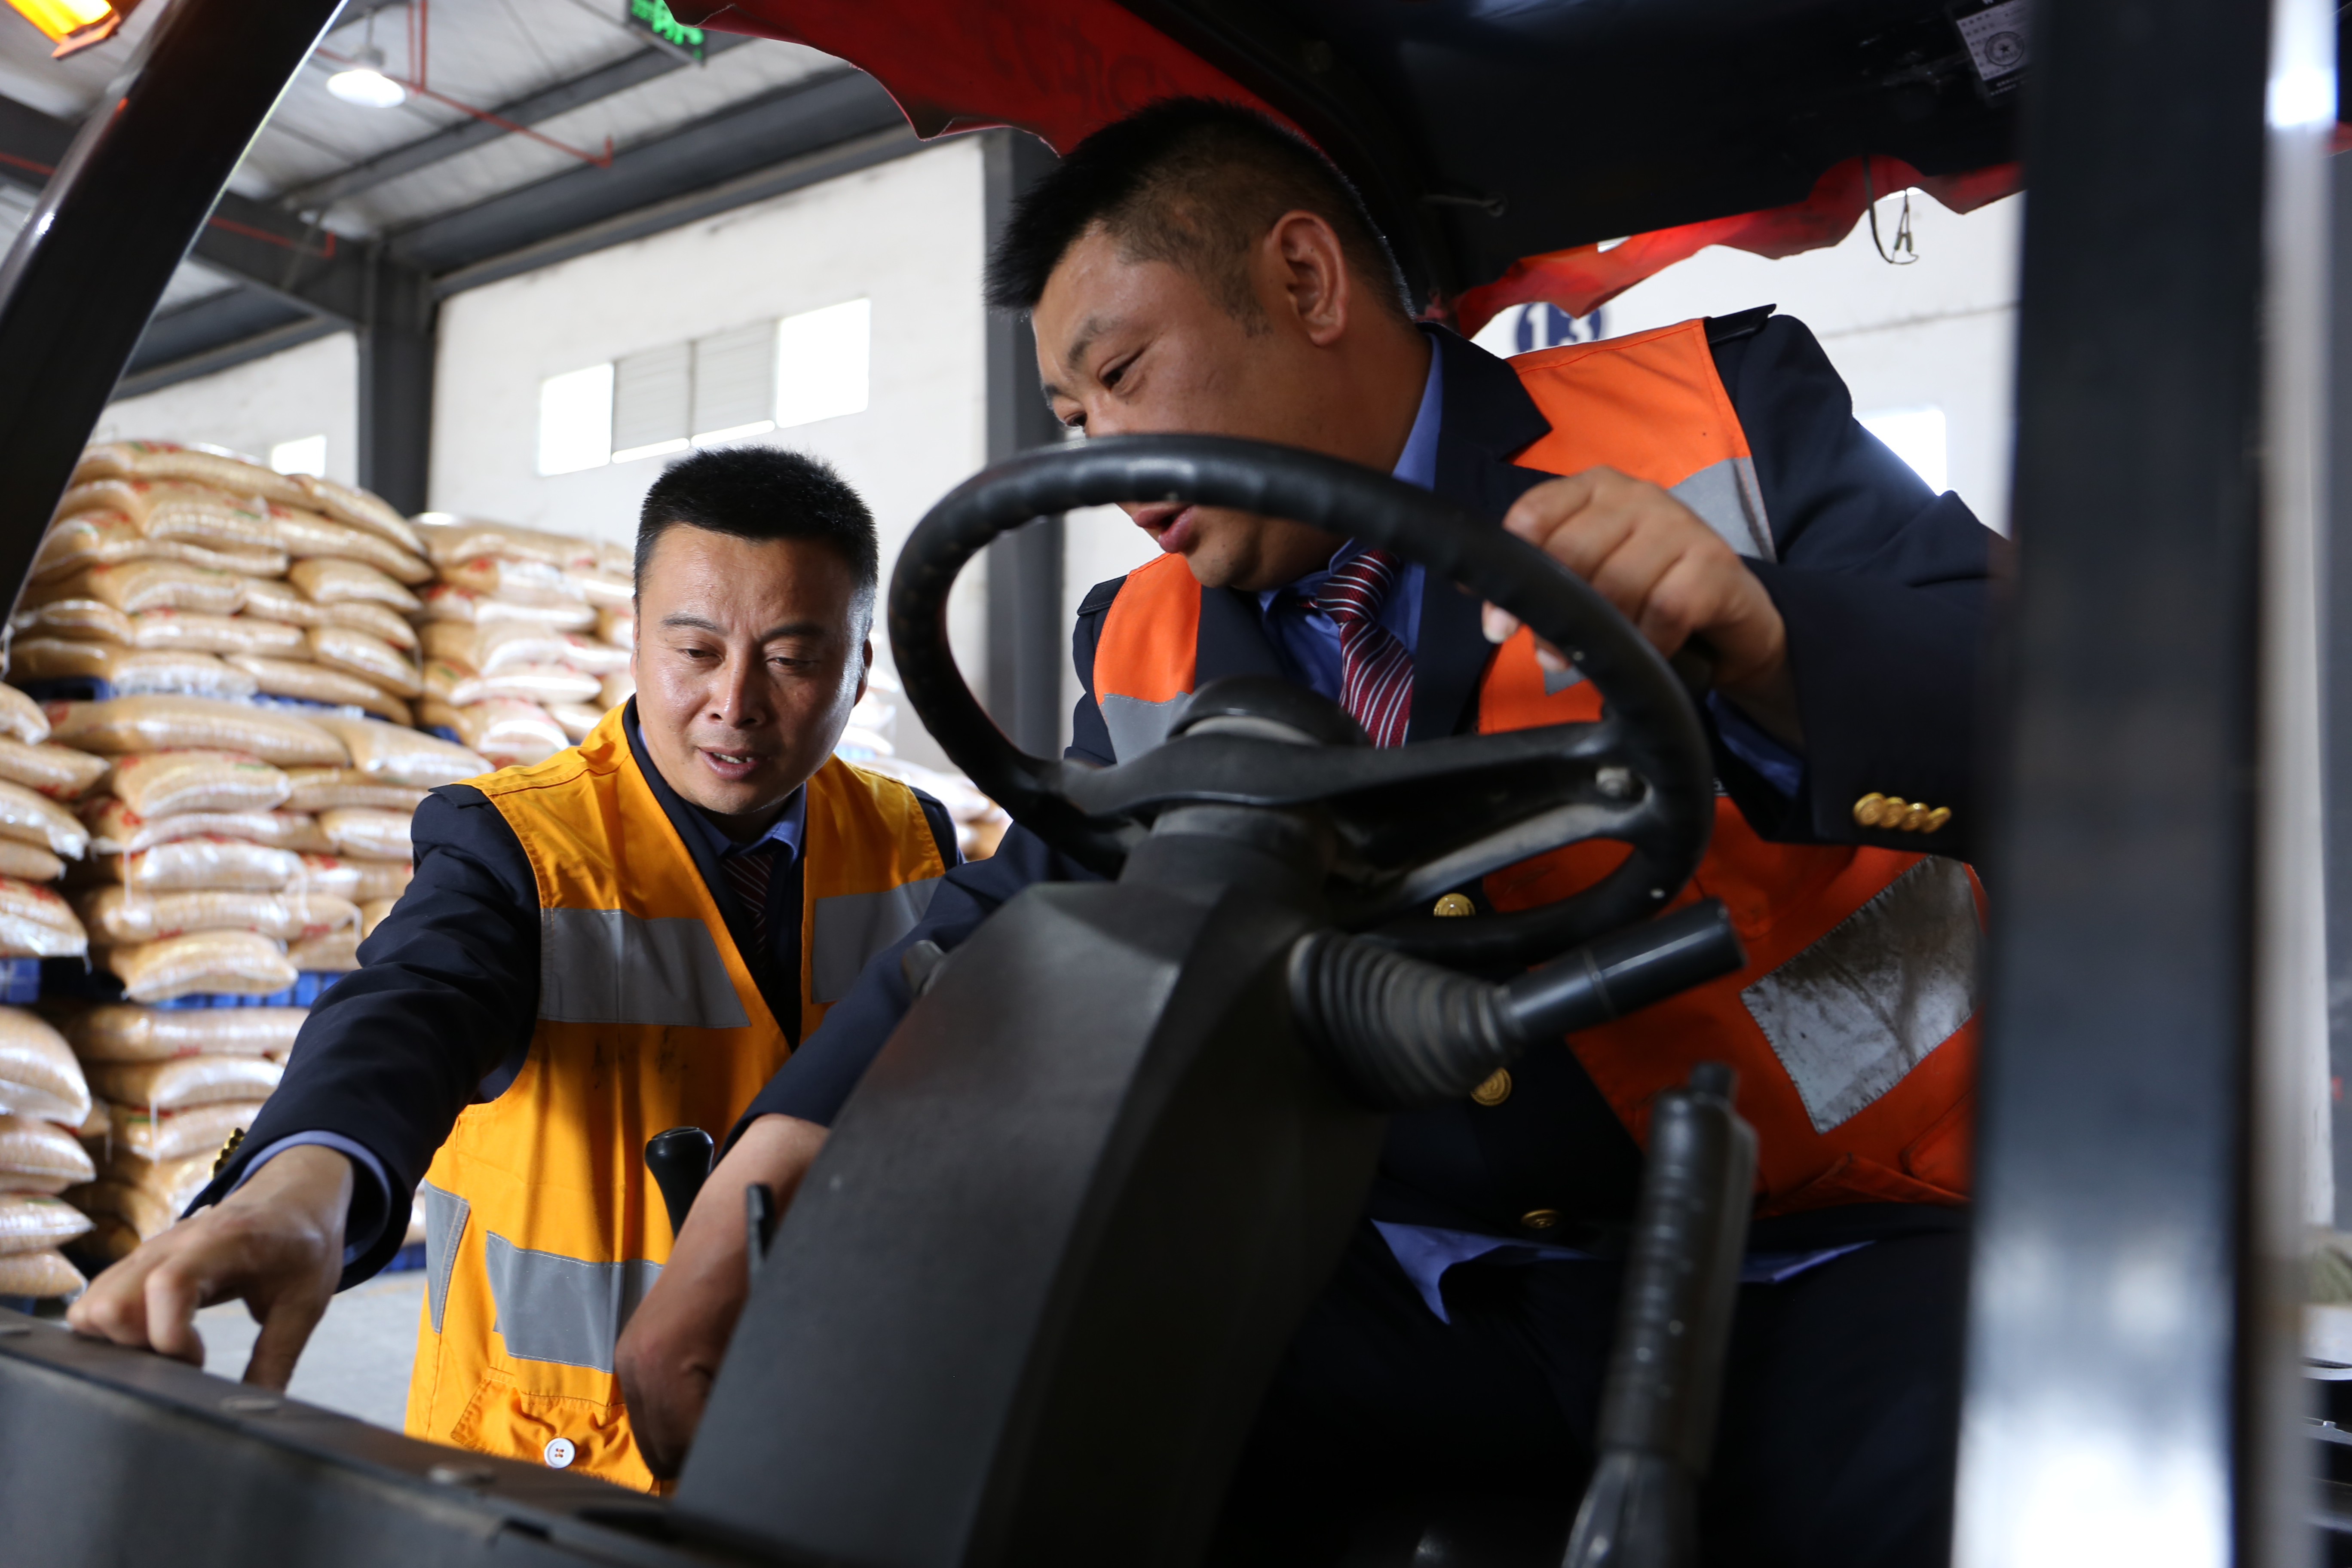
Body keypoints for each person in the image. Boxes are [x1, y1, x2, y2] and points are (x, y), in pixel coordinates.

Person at [618, 100, 1993, 1562]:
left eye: (1122, 374)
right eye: (1074, 423)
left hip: (1824, 1248)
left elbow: (2061, 705)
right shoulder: (1137, 635)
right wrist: (770, 1163)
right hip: (1407, 1279)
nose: (1111, 457)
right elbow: (1027, 900)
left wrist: (1770, 636)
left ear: (1303, 280)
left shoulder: (1720, 417)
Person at [65, 446, 961, 1492]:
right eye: (695, 651)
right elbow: (413, 1004)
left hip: (827, 1437)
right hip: (552, 1466)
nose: (735, 702)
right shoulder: (517, 845)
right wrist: (306, 1180)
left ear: (860, 668)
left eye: (793, 659)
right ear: (635, 642)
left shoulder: (913, 842)